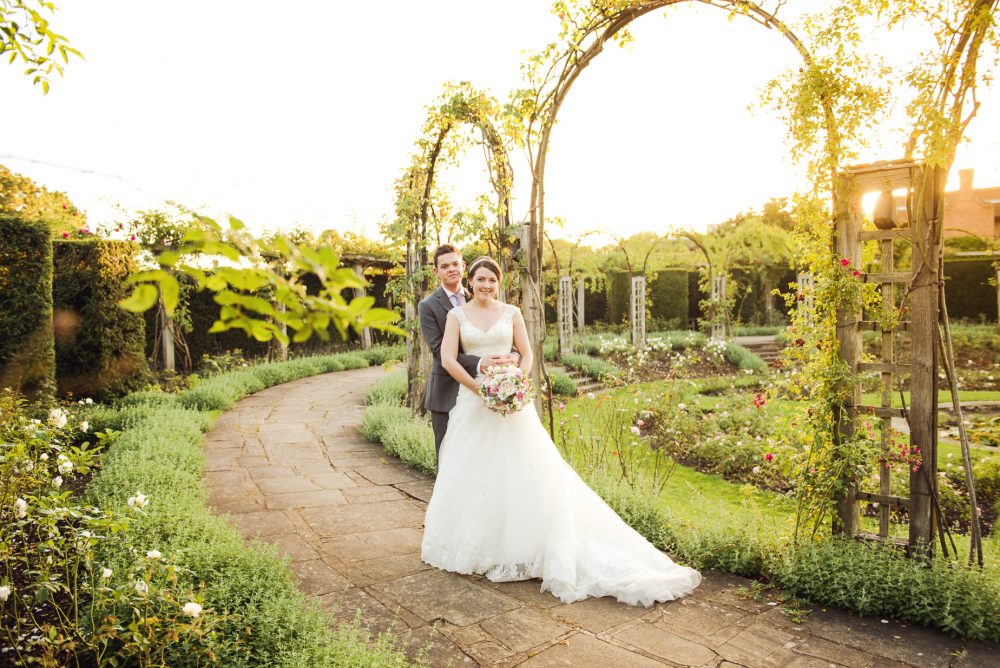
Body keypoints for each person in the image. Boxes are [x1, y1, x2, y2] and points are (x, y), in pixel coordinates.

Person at [421, 256, 701, 607]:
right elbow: (448, 359)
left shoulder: (512, 313)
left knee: (527, 472)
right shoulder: (456, 316)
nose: (486, 285)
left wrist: (515, 382)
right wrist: (481, 389)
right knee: (475, 473)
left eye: (492, 280)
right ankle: (482, 543)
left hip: (512, 404)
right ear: (471, 281)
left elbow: (526, 355)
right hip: (474, 403)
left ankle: (528, 544)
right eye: (480, 279)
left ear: (499, 282)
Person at [417, 245, 517, 458]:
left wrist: (513, 357)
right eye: (445, 266)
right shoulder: (428, 306)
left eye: (455, 264)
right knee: (450, 458)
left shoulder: (483, 292)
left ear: (463, 266)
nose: (451, 269)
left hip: (494, 386)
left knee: (492, 455)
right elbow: (439, 351)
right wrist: (481, 363)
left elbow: (500, 336)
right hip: (447, 391)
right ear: (436, 272)